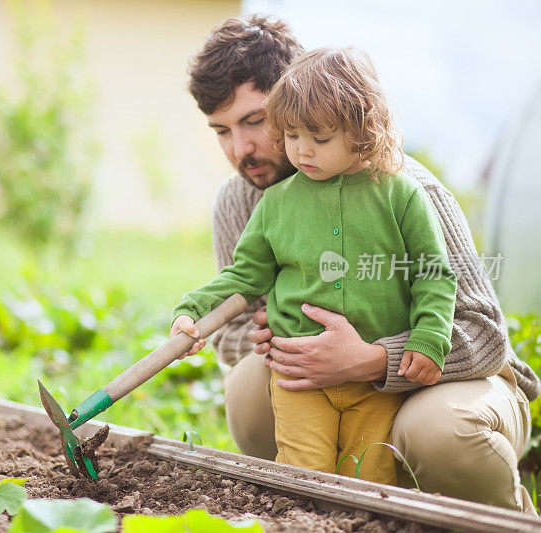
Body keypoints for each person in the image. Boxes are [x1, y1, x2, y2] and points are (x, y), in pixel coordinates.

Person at [181, 14, 540, 512]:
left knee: (435, 434)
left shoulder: (405, 190)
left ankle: (499, 513)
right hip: (320, 389)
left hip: (459, 383)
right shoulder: (243, 200)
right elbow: (233, 328)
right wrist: (264, 337)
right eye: (221, 130)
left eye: (255, 121)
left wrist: (374, 358)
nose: (239, 149)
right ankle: (324, 512)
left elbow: (484, 334)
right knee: (248, 386)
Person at [171, 46, 457, 484]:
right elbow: (242, 276)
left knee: (370, 479)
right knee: (303, 475)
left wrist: (428, 337)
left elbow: (433, 274)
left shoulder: (403, 193)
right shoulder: (275, 203)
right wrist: (194, 311)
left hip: (376, 388)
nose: (302, 152)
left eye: (319, 139)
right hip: (300, 384)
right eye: (291, 136)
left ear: (362, 129)